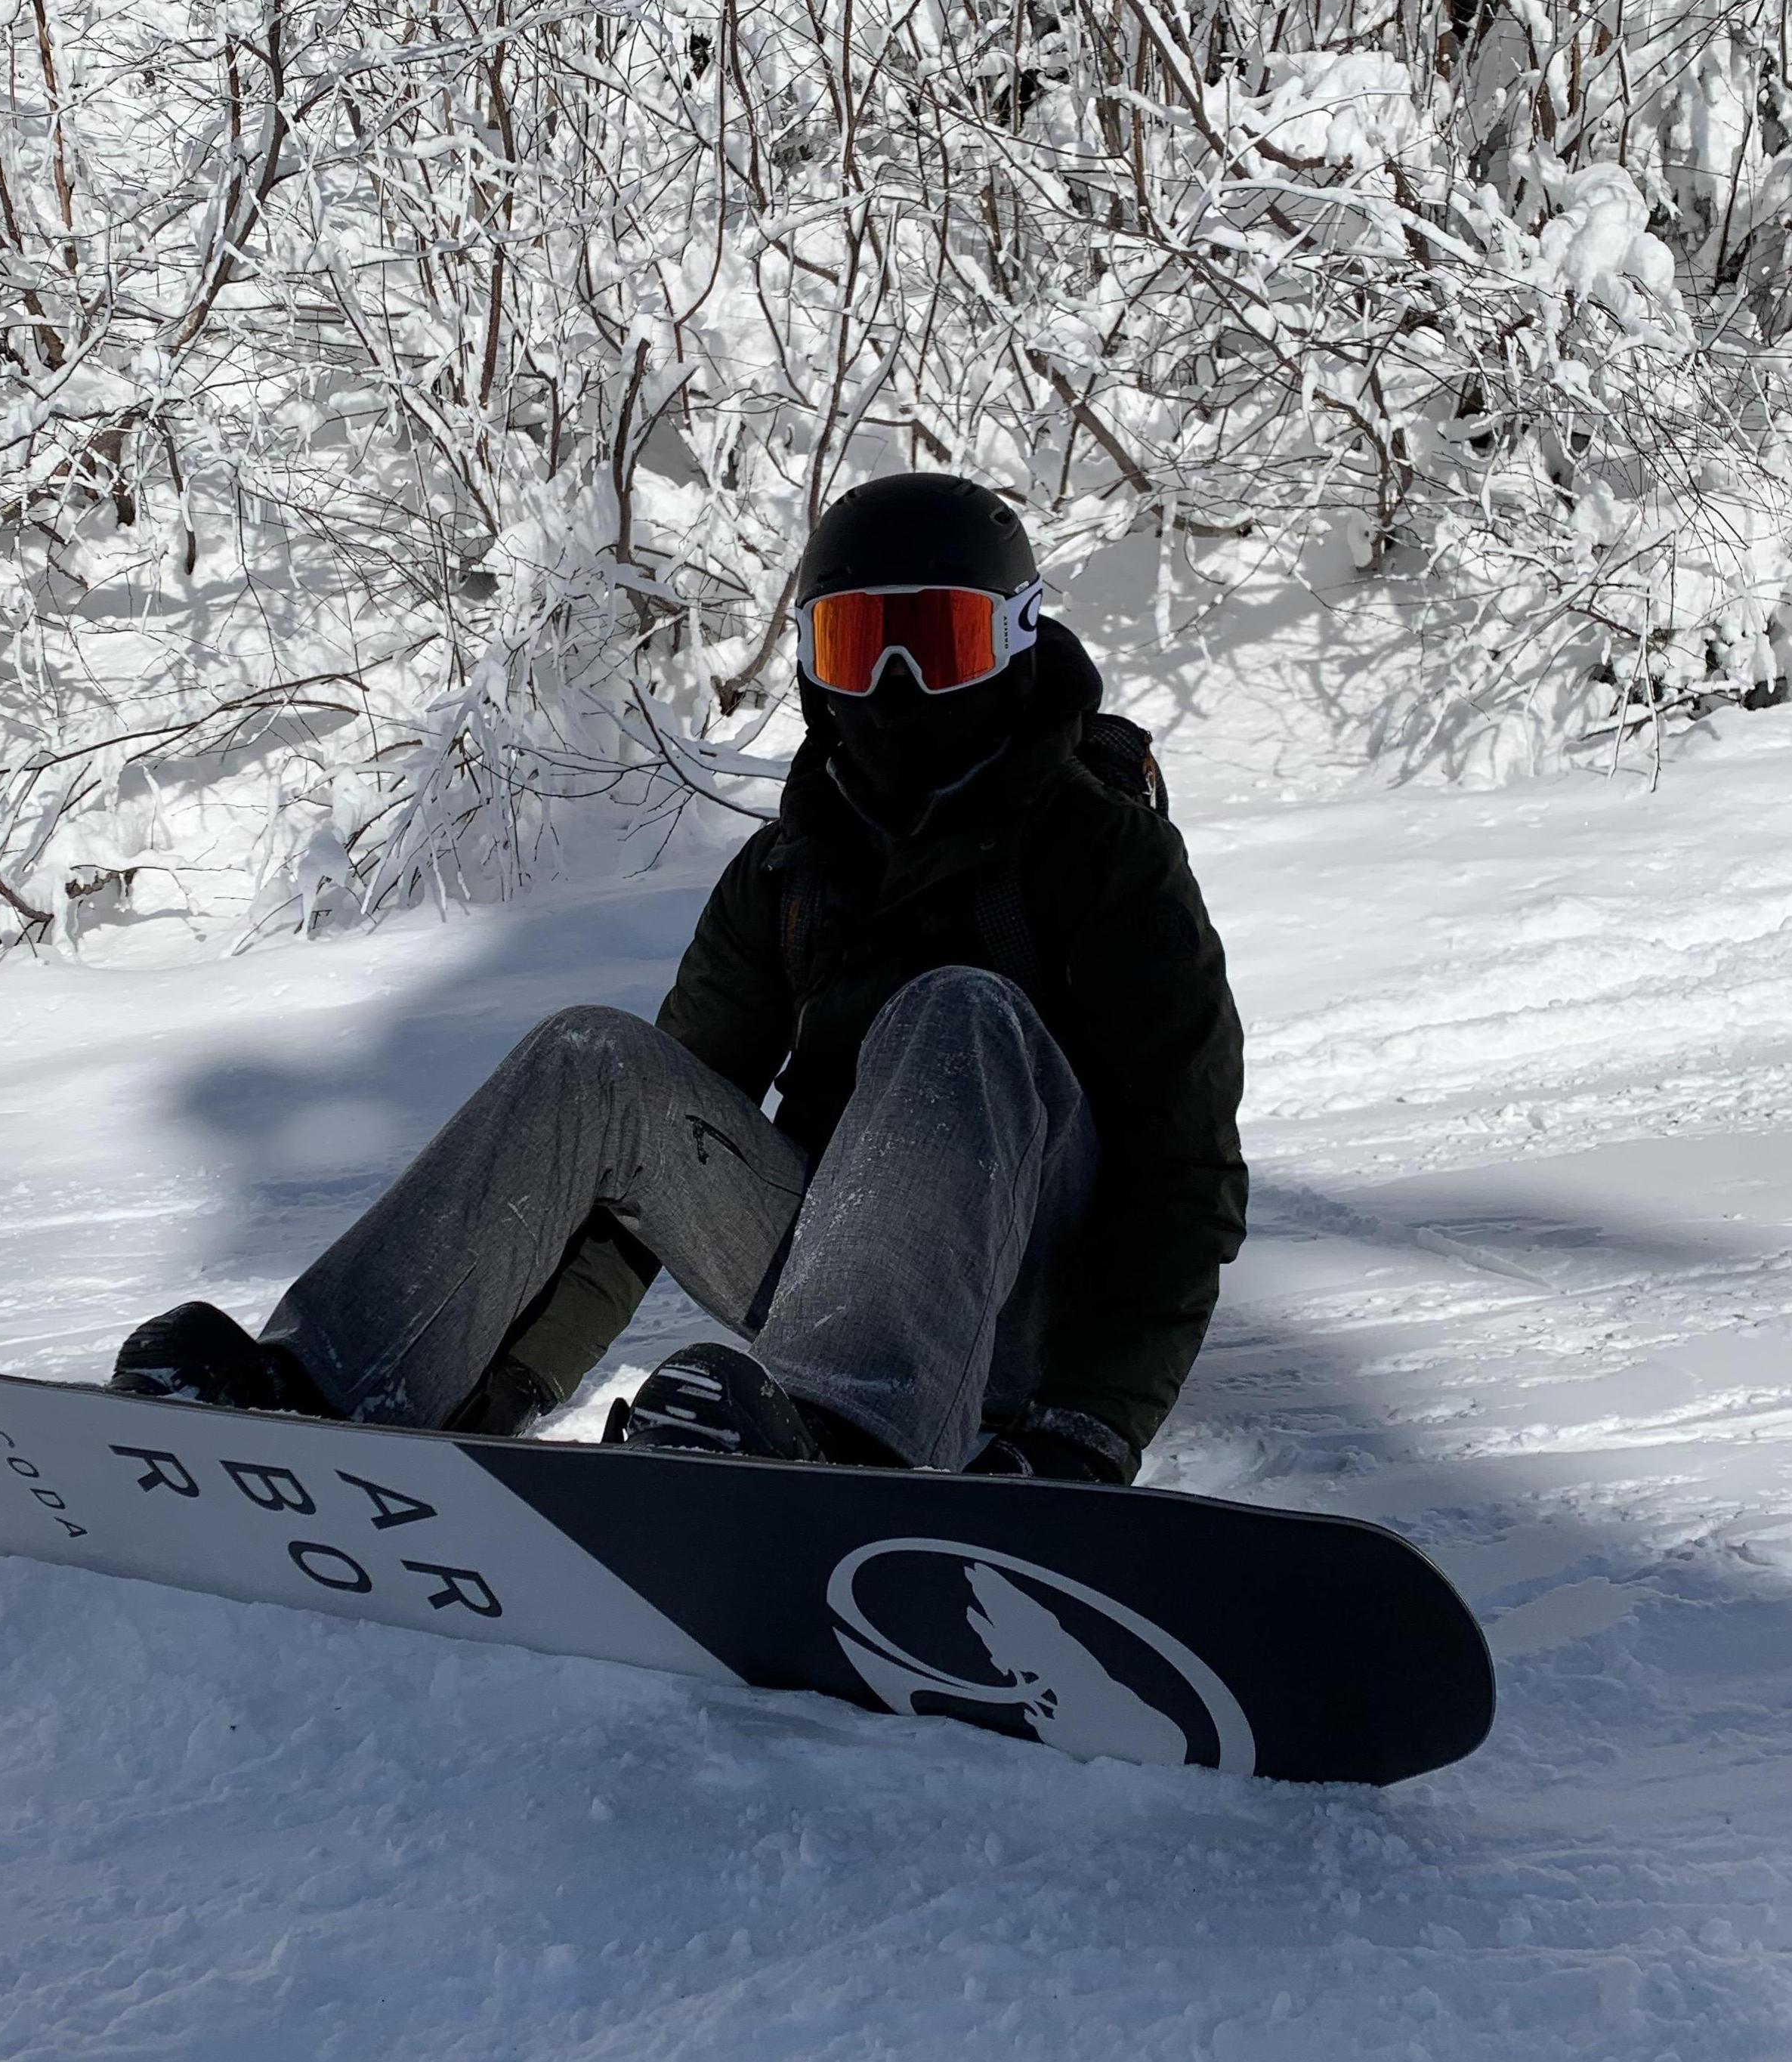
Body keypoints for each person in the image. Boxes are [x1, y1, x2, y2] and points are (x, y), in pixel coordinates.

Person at [110, 473, 1246, 1482]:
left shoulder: (1105, 855)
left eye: (936, 646)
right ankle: (335, 1384)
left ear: (1012, 647)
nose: (897, 685)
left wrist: (1086, 1429)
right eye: (860, 648)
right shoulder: (792, 869)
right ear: (812, 662)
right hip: (833, 1290)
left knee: (957, 1009)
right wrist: (503, 1395)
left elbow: (1179, 1175)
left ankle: (853, 1435)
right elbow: (628, 1167)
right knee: (594, 1057)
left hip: (1032, 1307)